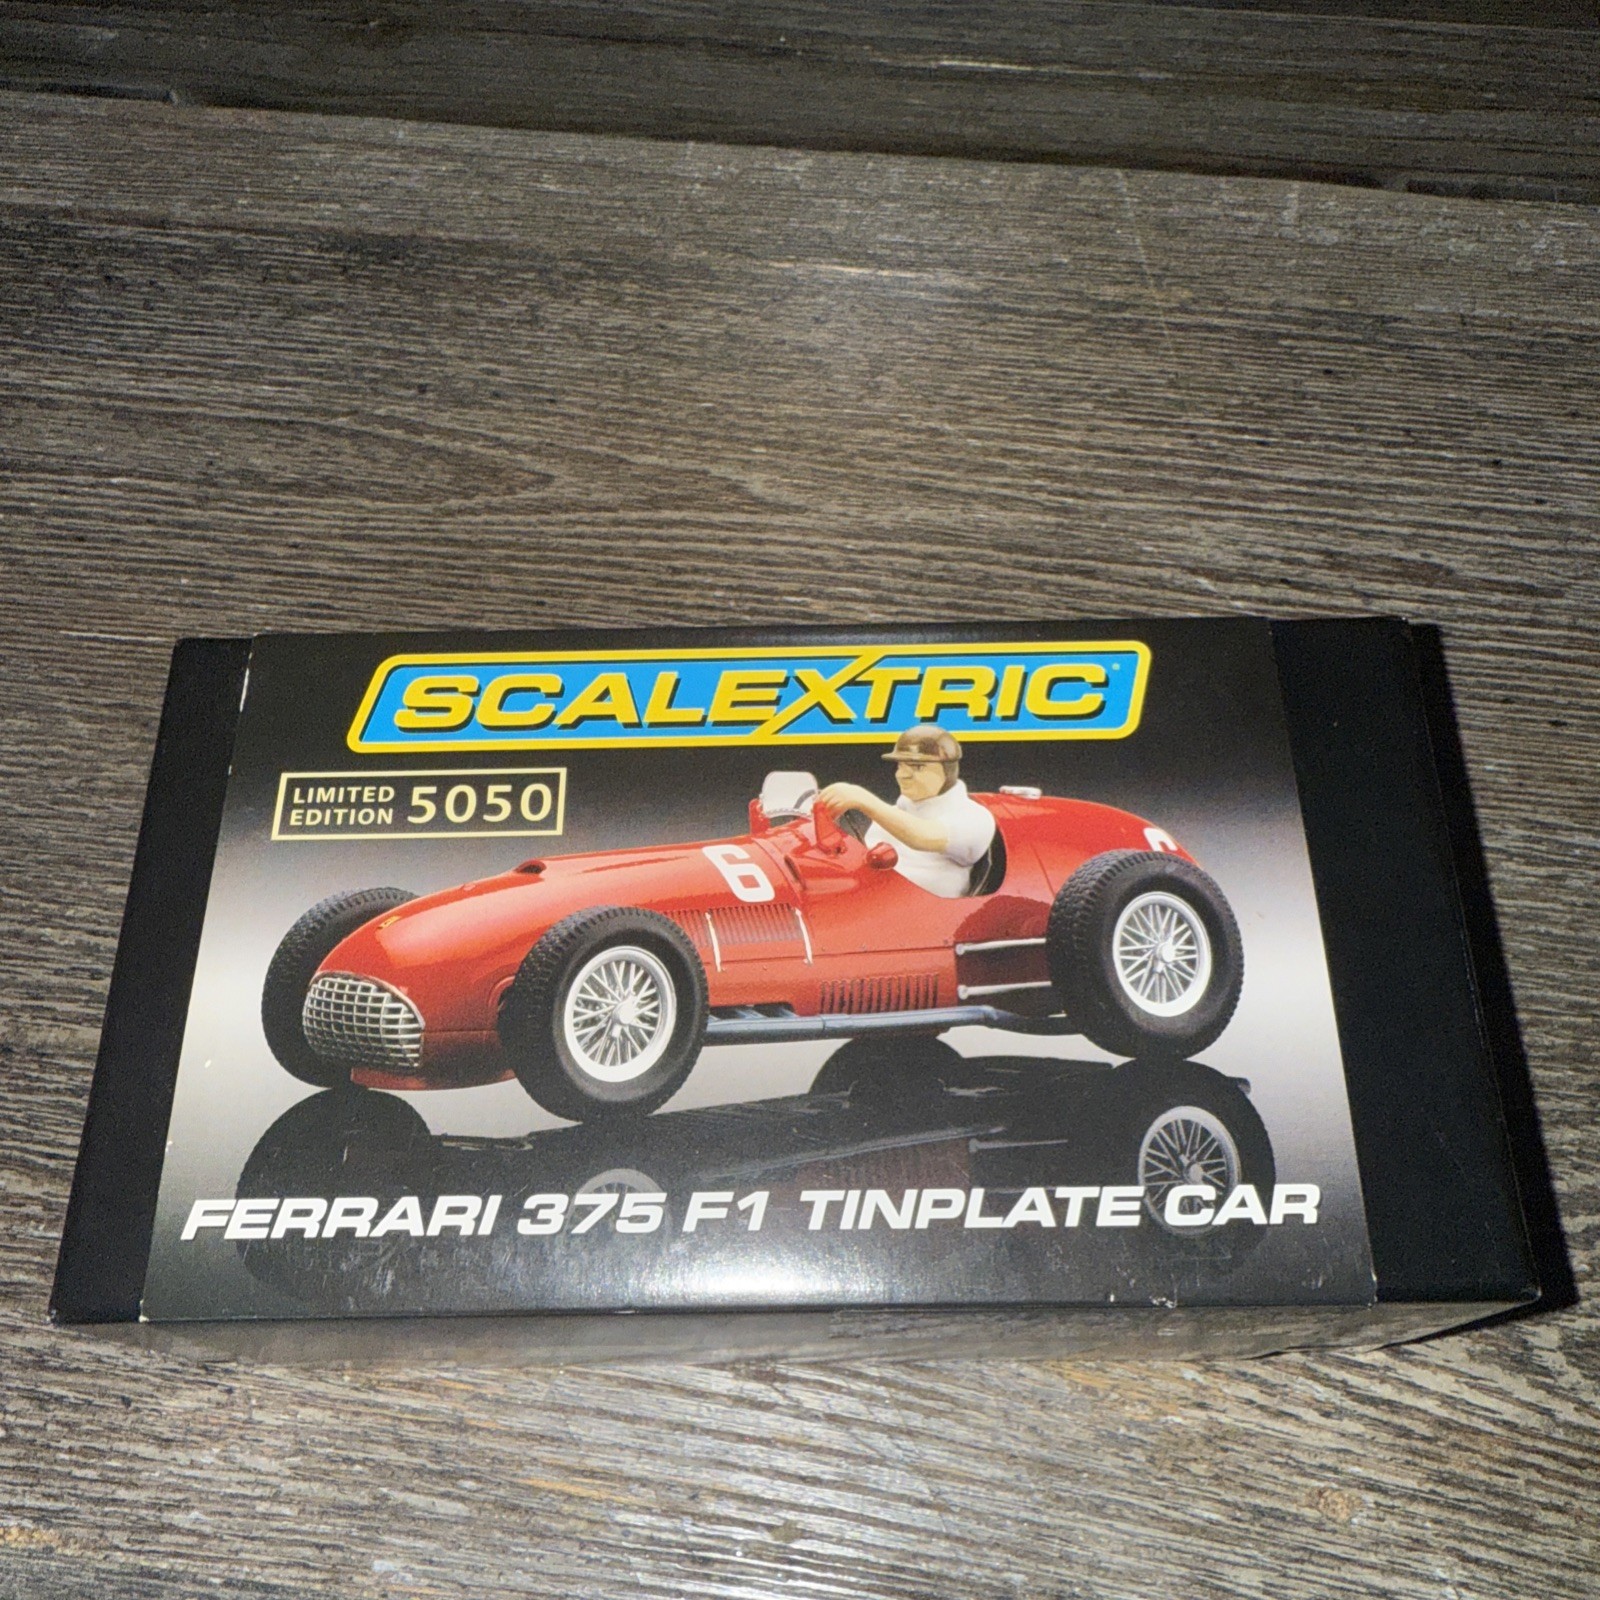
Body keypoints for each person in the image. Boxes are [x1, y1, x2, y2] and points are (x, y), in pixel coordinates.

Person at [816, 725, 996, 898]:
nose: (902, 775)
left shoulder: (973, 817)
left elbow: (924, 837)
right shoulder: (890, 816)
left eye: (918, 767)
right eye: (901, 766)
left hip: (931, 914)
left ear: (947, 770)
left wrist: (865, 800)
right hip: (875, 904)